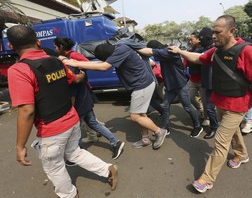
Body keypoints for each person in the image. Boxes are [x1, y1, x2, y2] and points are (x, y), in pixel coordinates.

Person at [7, 25, 118, 198]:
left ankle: (69, 194)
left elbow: (27, 110)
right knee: (74, 152)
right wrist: (82, 75)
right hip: (72, 119)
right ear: (37, 42)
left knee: (54, 166)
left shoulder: (19, 70)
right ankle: (107, 169)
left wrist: (20, 146)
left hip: (52, 129)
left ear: (11, 46)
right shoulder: (57, 61)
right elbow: (73, 79)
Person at [168, 15, 252, 193]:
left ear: (232, 31)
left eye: (218, 32)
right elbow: (199, 58)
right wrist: (180, 52)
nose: (213, 36)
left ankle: (207, 179)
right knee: (232, 132)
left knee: (220, 140)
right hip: (220, 101)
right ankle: (241, 154)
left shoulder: (246, 51)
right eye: (213, 32)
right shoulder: (216, 51)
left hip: (238, 105)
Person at [61, 43, 167, 149]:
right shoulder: (120, 47)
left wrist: (75, 64)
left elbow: (103, 66)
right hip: (142, 85)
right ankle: (145, 139)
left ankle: (159, 131)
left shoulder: (120, 51)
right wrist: (77, 62)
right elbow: (102, 62)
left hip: (141, 86)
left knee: (135, 116)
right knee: (141, 114)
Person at [54, 37, 125, 159]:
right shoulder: (67, 59)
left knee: (73, 130)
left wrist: (80, 72)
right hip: (84, 97)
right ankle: (115, 142)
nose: (54, 49)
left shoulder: (72, 58)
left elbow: (79, 75)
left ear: (60, 47)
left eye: (55, 46)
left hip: (80, 99)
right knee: (92, 122)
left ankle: (78, 155)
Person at [137, 40, 203, 137]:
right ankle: (165, 127)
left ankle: (197, 126)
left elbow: (151, 52)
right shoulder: (164, 52)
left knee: (187, 107)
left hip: (180, 85)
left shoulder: (169, 52)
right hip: (170, 86)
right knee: (165, 105)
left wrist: (134, 47)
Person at [197, 27, 218, 139]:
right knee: (209, 108)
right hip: (208, 84)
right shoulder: (202, 49)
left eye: (202, 38)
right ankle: (214, 127)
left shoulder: (215, 49)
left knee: (221, 109)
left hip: (218, 84)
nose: (201, 41)